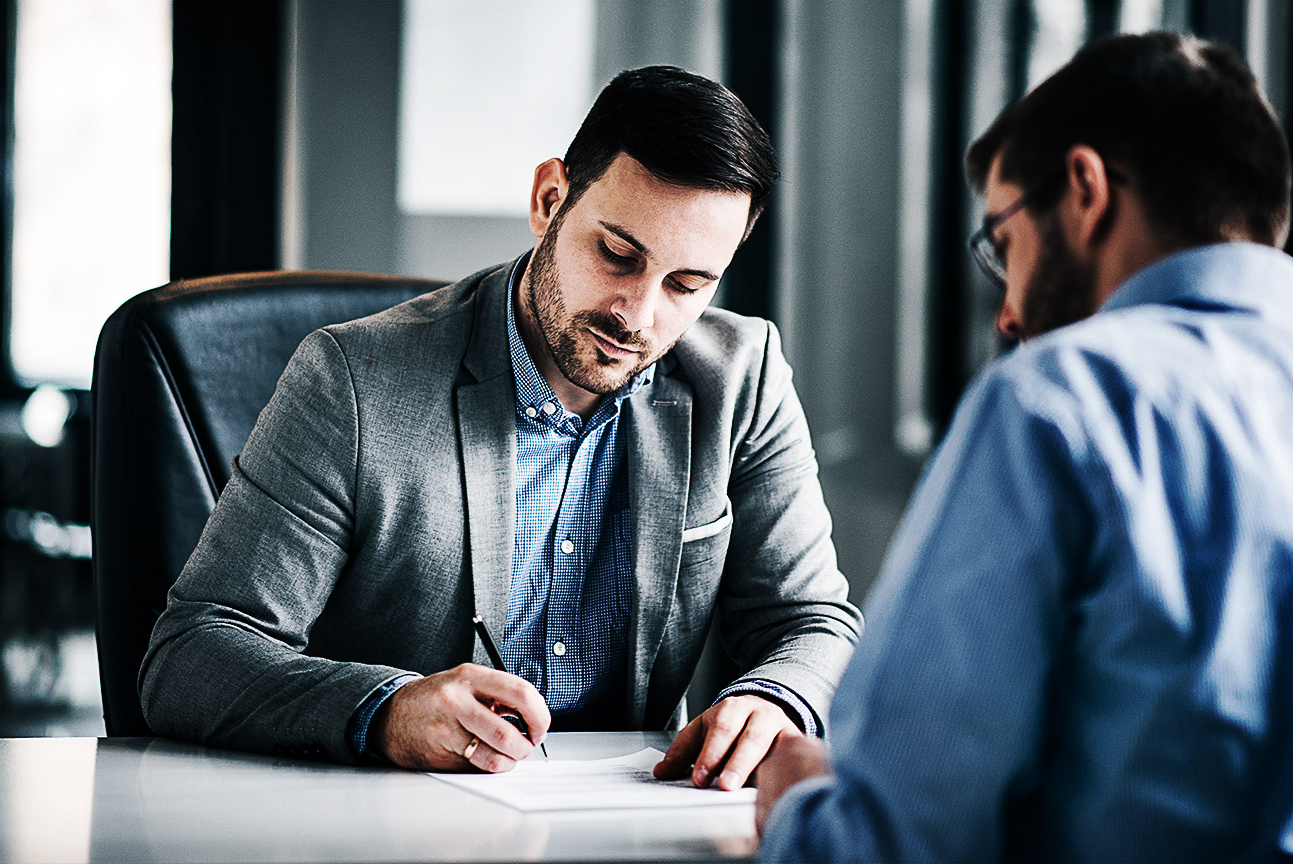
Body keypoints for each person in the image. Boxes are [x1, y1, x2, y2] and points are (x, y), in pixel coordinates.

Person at [140, 65, 862, 787]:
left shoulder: (743, 378)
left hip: (636, 825)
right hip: (392, 824)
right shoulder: (351, 380)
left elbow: (812, 622)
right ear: (550, 200)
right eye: (617, 255)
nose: (638, 316)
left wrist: (777, 698)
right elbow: (193, 654)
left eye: (686, 285)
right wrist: (387, 712)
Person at [755, 32, 1293, 862]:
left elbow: (896, 842)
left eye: (1004, 242)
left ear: (1085, 190)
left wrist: (800, 800)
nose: (1008, 312)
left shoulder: (1055, 400)